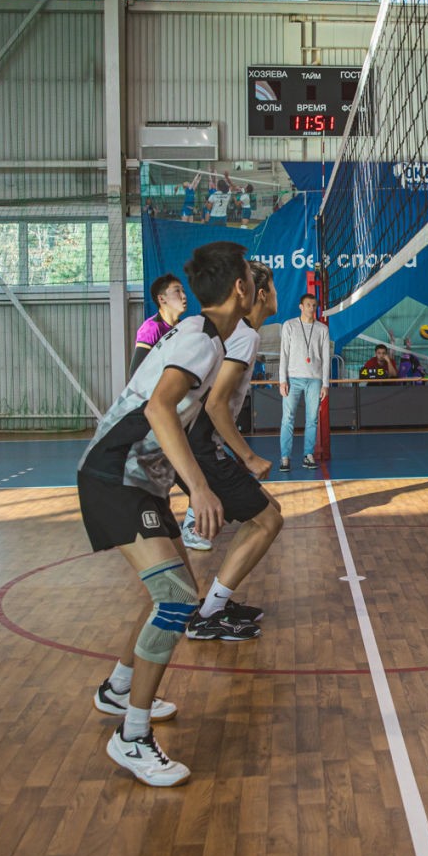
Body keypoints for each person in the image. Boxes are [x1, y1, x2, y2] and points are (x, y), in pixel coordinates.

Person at [78, 240, 254, 786]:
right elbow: (158, 407)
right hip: (114, 474)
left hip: (137, 477)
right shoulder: (200, 340)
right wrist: (199, 489)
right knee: (176, 599)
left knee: (173, 591)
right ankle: (132, 737)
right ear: (241, 288)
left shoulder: (205, 335)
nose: (257, 284)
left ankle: (118, 688)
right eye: (252, 277)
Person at [174, 262, 284, 616]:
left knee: (268, 513)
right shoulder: (245, 335)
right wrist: (248, 457)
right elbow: (215, 404)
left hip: (196, 443)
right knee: (269, 520)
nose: (277, 295)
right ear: (261, 294)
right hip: (200, 447)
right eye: (274, 289)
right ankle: (210, 612)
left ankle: (213, 603)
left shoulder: (233, 332)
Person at [277, 293, 331, 471]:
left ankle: (308, 455)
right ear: (301, 306)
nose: (311, 308)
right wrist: (282, 380)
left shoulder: (322, 329)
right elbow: (284, 354)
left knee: (312, 419)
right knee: (287, 419)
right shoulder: (289, 325)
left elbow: (326, 358)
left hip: (314, 380)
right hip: (293, 379)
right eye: (308, 305)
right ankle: (285, 457)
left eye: (314, 305)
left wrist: (325, 384)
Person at [131, 273, 188, 376]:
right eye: (177, 291)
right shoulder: (150, 329)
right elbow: (135, 373)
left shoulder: (184, 328)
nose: (184, 296)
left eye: (183, 291)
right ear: (161, 299)